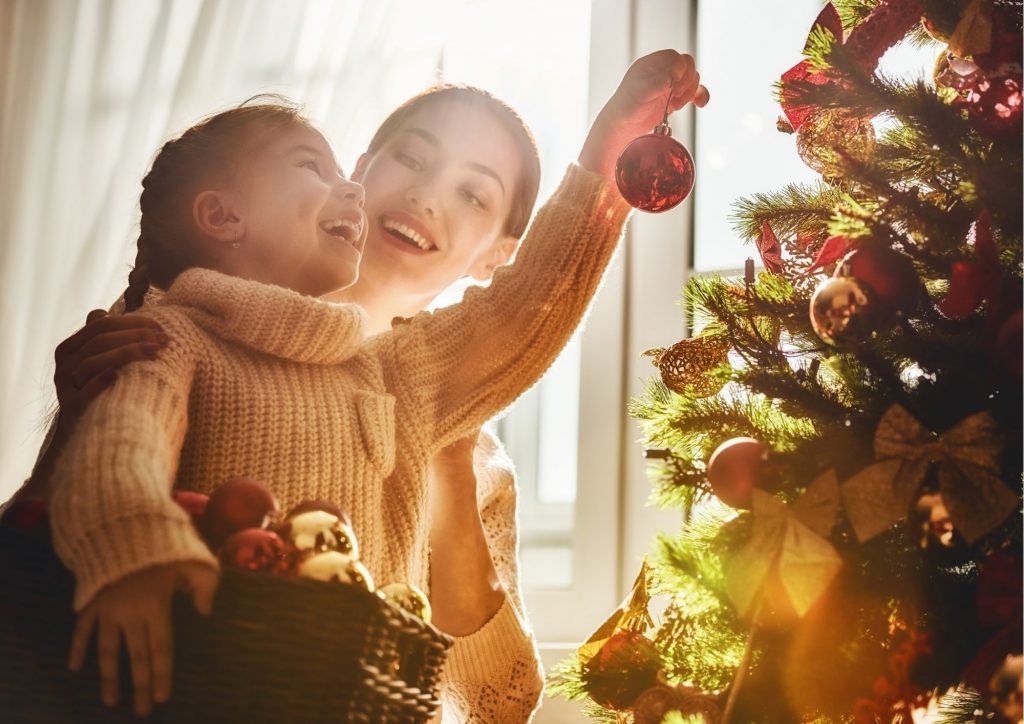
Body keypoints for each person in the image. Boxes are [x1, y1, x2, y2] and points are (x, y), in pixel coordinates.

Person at [14, 50, 708, 721]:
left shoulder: (416, 387)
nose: (426, 195)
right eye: (411, 157)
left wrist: (613, 154)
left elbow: (526, 308)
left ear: (497, 258)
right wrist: (92, 446)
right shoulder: (164, 337)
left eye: (472, 193)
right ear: (361, 173)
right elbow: (74, 521)